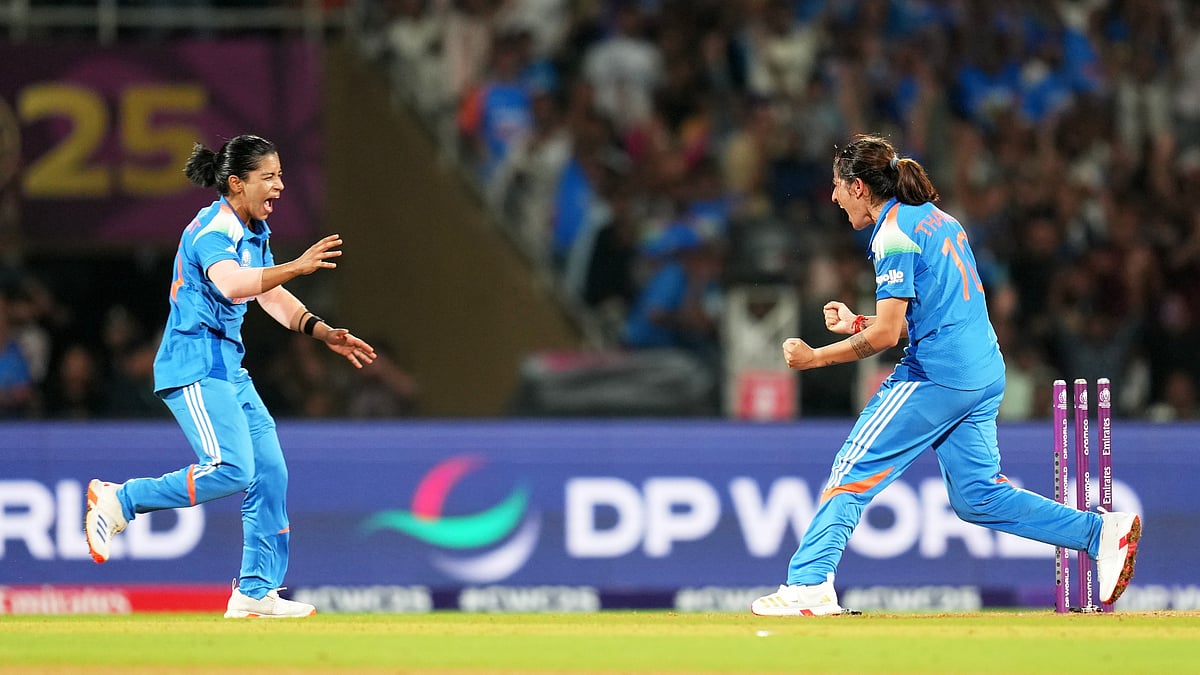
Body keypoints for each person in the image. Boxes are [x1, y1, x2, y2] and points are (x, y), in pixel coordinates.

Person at [751, 134, 1142, 616]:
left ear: (857, 187)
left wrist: (815, 357)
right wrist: (857, 323)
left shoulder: (892, 232)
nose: (831, 197)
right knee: (977, 497)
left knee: (851, 473)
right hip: (980, 370)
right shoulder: (937, 218)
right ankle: (1099, 532)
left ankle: (809, 585)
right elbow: (934, 311)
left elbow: (888, 336)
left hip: (937, 376)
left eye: (835, 186)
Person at [84, 135, 377, 619]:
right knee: (233, 469)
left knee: (270, 472)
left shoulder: (252, 229)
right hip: (194, 365)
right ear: (237, 184)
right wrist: (298, 265)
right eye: (270, 177)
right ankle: (121, 500)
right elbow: (233, 283)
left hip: (227, 368)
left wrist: (321, 330)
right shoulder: (212, 230)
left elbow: (269, 297)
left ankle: (255, 593)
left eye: (281, 175)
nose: (280, 186)